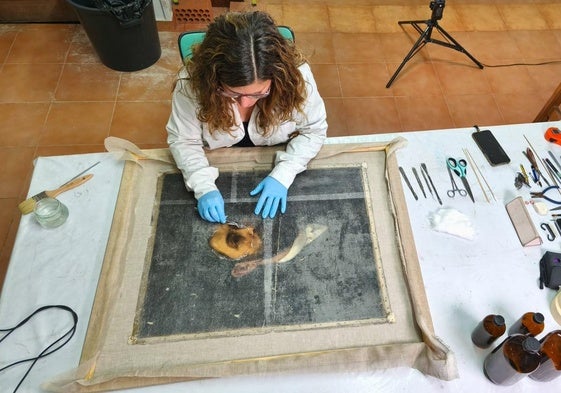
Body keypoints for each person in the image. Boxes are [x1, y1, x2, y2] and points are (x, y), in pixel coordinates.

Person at [166, 11, 328, 223]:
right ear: (213, 79)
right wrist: (203, 186)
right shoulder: (191, 84)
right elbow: (184, 140)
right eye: (232, 93)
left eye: (259, 93)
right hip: (218, 154)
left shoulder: (297, 79)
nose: (245, 103)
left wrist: (284, 174)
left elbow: (314, 130)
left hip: (274, 151)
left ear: (277, 77)